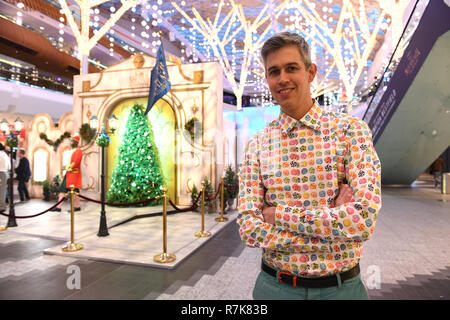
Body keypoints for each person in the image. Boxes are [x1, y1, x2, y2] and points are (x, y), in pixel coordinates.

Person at [237, 32, 382, 300]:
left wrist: (278, 216)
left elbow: (363, 220)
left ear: (310, 72)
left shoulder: (350, 132)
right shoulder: (258, 145)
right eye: (274, 71)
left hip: (340, 290)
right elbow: (249, 229)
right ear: (267, 79)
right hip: (274, 289)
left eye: (291, 68)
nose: (282, 78)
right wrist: (333, 236)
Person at [51, 134, 83, 212]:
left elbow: (76, 162)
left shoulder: (78, 151)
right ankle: (58, 207)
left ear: (76, 142)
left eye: (72, 141)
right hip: (69, 174)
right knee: (63, 190)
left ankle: (77, 206)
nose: (71, 142)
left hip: (73, 174)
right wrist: (67, 167)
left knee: (75, 191)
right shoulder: (72, 150)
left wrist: (68, 167)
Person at [0, 143, 10, 213]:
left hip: (1, 172)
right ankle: (2, 206)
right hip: (5, 173)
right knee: (3, 191)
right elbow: (9, 166)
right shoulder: (5, 155)